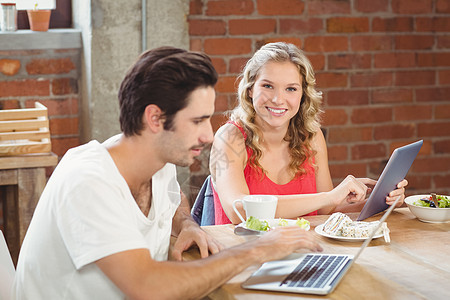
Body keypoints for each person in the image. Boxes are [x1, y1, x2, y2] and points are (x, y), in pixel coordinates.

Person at [13, 46, 323, 299]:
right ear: (155, 118)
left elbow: (174, 203)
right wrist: (257, 249)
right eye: (198, 121)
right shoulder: (88, 180)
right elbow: (147, 287)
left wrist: (187, 224)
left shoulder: (157, 165)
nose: (208, 134)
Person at [209, 42, 408, 225]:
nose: (279, 99)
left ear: (303, 94)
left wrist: (380, 202)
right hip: (241, 256)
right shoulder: (229, 138)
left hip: (302, 250)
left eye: (291, 89)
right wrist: (329, 196)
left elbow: (325, 210)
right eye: (267, 86)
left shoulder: (311, 137)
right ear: (250, 89)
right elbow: (239, 211)